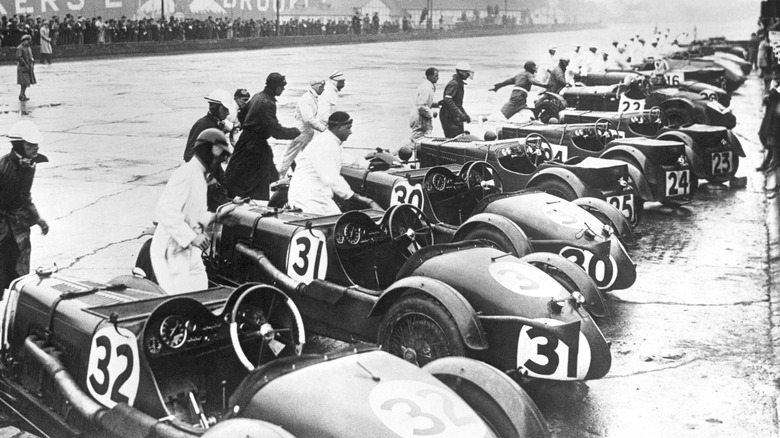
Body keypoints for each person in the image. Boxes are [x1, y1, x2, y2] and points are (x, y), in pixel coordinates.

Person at [150, 128, 234, 295]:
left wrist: (216, 217)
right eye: (219, 154)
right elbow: (166, 211)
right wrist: (192, 237)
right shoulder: (186, 173)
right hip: (171, 251)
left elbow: (194, 216)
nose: (220, 161)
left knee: (200, 294)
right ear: (207, 151)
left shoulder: (200, 176)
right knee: (182, 301)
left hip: (187, 250)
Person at [225, 73, 300, 200]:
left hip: (247, 140)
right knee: (259, 177)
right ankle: (260, 203)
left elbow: (242, 115)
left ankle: (231, 197)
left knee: (237, 172)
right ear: (275, 86)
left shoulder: (257, 96)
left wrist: (250, 127)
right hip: (255, 144)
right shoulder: (267, 102)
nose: (283, 89)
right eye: (282, 86)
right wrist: (294, 132)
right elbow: (275, 130)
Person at [288, 111, 380, 215]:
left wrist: (370, 165)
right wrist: (365, 200)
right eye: (348, 128)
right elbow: (332, 178)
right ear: (339, 128)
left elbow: (348, 160)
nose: (350, 132)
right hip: (308, 197)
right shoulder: (324, 145)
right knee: (336, 226)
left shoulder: (331, 142)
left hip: (318, 195)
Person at [0, 120, 49, 293]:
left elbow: (25, 196)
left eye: (36, 144)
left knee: (19, 276)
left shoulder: (31, 163)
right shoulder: (3, 166)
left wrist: (37, 218)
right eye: (30, 144)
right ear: (19, 145)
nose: (36, 148)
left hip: (18, 228)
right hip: (2, 227)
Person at [278, 79, 327, 179]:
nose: (324, 89)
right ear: (318, 87)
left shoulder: (312, 97)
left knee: (311, 156)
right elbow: (308, 119)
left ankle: (308, 175)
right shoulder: (307, 99)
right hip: (300, 133)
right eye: (322, 87)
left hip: (306, 133)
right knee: (288, 156)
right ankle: (277, 178)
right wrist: (323, 129)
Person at [183, 89, 233, 162]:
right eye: (225, 109)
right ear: (215, 107)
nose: (228, 113)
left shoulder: (218, 125)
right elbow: (189, 155)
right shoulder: (202, 125)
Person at [440, 62, 472, 137]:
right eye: (466, 73)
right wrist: (460, 113)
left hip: (455, 115)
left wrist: (465, 114)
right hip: (448, 115)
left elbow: (457, 104)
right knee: (454, 136)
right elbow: (448, 100)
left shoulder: (459, 83)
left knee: (460, 136)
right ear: (460, 72)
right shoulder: (454, 84)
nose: (468, 75)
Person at [409, 67, 439, 145]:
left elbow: (424, 102)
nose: (438, 78)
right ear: (429, 76)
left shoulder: (429, 86)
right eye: (436, 76)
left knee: (422, 139)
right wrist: (432, 113)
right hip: (420, 118)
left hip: (421, 117)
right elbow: (421, 106)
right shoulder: (426, 88)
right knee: (417, 139)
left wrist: (436, 104)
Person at [758, 82, 780, 172]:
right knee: (770, 137)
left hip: (776, 115)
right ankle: (768, 163)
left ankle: (770, 163)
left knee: (774, 140)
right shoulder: (775, 85)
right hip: (773, 115)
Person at [16, 34, 35, 101]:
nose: (28, 42)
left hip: (28, 66)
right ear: (24, 41)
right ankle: (22, 94)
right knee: (23, 82)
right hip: (22, 67)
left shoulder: (28, 47)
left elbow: (31, 56)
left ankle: (23, 94)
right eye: (27, 40)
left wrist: (32, 63)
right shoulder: (20, 48)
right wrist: (25, 64)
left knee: (26, 82)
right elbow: (19, 57)